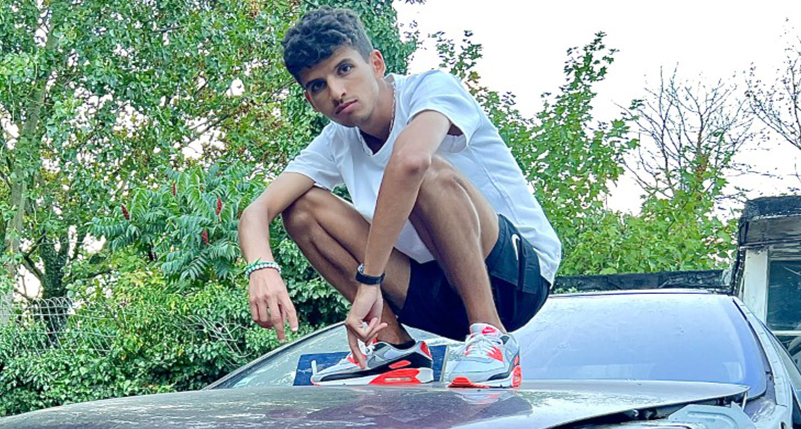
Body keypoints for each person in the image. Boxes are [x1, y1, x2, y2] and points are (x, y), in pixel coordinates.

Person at [237, 7, 561, 388]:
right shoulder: (337, 140)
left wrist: (370, 281)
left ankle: (491, 336)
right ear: (310, 100)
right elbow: (257, 211)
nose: (337, 92)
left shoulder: (431, 89)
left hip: (514, 280)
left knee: (422, 168)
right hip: (435, 293)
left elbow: (411, 162)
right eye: (318, 85)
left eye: (344, 69)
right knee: (302, 209)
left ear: (375, 64)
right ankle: (393, 350)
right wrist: (262, 269)